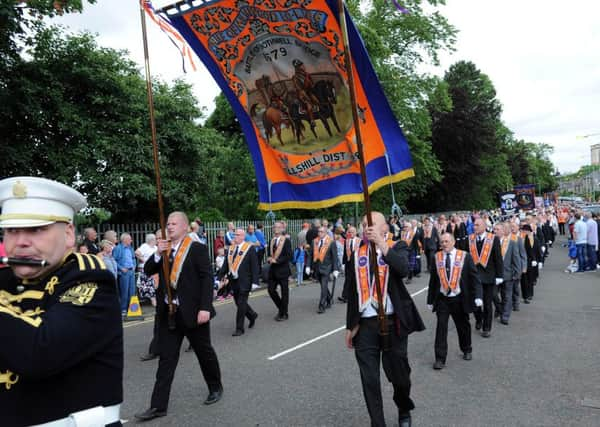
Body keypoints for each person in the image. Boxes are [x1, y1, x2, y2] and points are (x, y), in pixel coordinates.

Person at [0, 176, 123, 426]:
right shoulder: (5, 278)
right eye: (12, 230)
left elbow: (38, 351)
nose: (21, 241)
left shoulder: (91, 279)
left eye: (36, 229)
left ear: (68, 234)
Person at [135, 212, 222, 421]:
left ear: (184, 227)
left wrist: (205, 307)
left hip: (192, 313)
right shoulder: (163, 250)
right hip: (169, 315)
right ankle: (158, 406)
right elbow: (148, 270)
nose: (169, 227)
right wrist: (157, 253)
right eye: (168, 223)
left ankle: (215, 387)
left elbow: (207, 278)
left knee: (204, 352)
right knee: (166, 359)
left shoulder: (197, 248)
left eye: (174, 224)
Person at [345, 211, 425, 427]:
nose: (365, 228)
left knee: (400, 377)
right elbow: (352, 292)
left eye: (371, 224)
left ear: (384, 228)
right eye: (363, 224)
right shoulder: (356, 254)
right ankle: (377, 423)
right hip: (365, 327)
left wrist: (380, 243)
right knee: (370, 379)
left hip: (392, 322)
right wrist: (350, 325)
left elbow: (403, 268)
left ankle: (403, 408)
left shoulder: (396, 246)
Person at [427, 232, 482, 369]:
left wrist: (478, 296)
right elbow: (433, 280)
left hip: (459, 298)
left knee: (463, 326)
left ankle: (466, 348)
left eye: (446, 241)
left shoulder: (465, 256)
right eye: (442, 242)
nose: (443, 244)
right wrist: (430, 300)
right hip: (442, 299)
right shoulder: (437, 257)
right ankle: (440, 358)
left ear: (453, 242)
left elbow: (474, 278)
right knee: (441, 328)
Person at [217, 228, 259, 336]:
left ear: (243, 236)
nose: (235, 236)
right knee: (238, 302)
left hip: (245, 281)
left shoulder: (249, 248)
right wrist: (219, 278)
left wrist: (255, 282)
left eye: (238, 235)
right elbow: (226, 265)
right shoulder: (231, 249)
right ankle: (252, 315)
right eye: (235, 234)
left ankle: (239, 329)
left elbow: (255, 266)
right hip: (233, 282)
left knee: (241, 304)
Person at [469, 218, 503, 338]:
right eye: (474, 225)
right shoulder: (470, 239)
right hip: (474, 277)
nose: (475, 227)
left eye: (477, 225)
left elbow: (498, 258)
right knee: (475, 303)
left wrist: (499, 275)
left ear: (484, 226)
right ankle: (479, 319)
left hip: (489, 276)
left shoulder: (493, 239)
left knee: (487, 304)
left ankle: (486, 328)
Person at [306, 226, 341, 313]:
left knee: (324, 287)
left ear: (325, 232)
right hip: (317, 267)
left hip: (326, 267)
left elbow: (335, 257)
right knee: (323, 286)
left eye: (321, 232)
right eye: (319, 232)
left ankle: (322, 306)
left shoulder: (331, 242)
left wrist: (335, 269)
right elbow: (310, 255)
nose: (319, 233)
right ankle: (329, 300)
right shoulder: (314, 241)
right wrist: (308, 266)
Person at [493, 222, 521, 325]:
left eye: (497, 230)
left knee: (507, 296)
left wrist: (517, 273)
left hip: (507, 274)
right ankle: (499, 308)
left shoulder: (511, 243)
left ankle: (505, 316)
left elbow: (516, 258)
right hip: (494, 275)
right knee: (493, 294)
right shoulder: (490, 242)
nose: (495, 232)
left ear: (503, 231)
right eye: (494, 229)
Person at [267, 221, 292, 321]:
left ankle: (284, 313)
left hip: (283, 270)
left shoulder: (286, 241)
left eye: (278, 227)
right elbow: (270, 254)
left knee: (284, 292)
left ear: (282, 229)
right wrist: (269, 258)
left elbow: (289, 256)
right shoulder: (272, 240)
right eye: (275, 227)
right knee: (271, 290)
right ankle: (282, 308)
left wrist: (277, 261)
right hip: (273, 271)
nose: (276, 229)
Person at [113, 232, 137, 316]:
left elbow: (133, 258)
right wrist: (121, 268)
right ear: (124, 240)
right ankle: (123, 309)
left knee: (132, 291)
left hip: (131, 271)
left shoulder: (130, 248)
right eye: (130, 239)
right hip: (124, 272)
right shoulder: (118, 248)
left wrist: (134, 265)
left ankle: (132, 309)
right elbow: (114, 260)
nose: (131, 240)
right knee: (124, 291)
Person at [520, 224, 542, 303]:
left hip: (532, 262)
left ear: (528, 230)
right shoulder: (522, 238)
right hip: (524, 261)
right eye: (522, 230)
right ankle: (525, 295)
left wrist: (539, 261)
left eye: (524, 230)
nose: (523, 231)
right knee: (524, 280)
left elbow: (538, 250)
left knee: (530, 279)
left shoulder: (534, 238)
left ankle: (530, 294)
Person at [136, 233, 158, 306]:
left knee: (154, 286)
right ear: (151, 240)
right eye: (156, 239)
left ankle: (155, 303)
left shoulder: (155, 247)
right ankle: (154, 303)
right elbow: (136, 253)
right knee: (150, 287)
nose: (157, 240)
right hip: (145, 270)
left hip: (154, 270)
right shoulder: (145, 246)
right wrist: (144, 260)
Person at [339, 226, 360, 303]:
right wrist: (343, 263)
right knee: (347, 280)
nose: (351, 233)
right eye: (349, 232)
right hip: (348, 264)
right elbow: (345, 253)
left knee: (356, 280)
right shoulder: (346, 241)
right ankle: (345, 296)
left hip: (357, 264)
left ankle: (356, 295)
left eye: (352, 232)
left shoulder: (360, 241)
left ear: (356, 232)